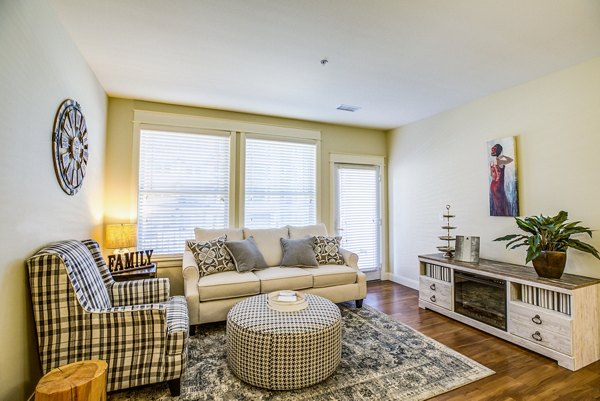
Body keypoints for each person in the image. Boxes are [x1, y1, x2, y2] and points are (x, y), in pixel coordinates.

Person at [489, 143, 513, 216]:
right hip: (499, 186)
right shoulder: (500, 161)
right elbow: (511, 160)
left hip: (492, 185)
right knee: (502, 203)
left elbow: (491, 175)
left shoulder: (491, 163)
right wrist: (503, 156)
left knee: (497, 204)